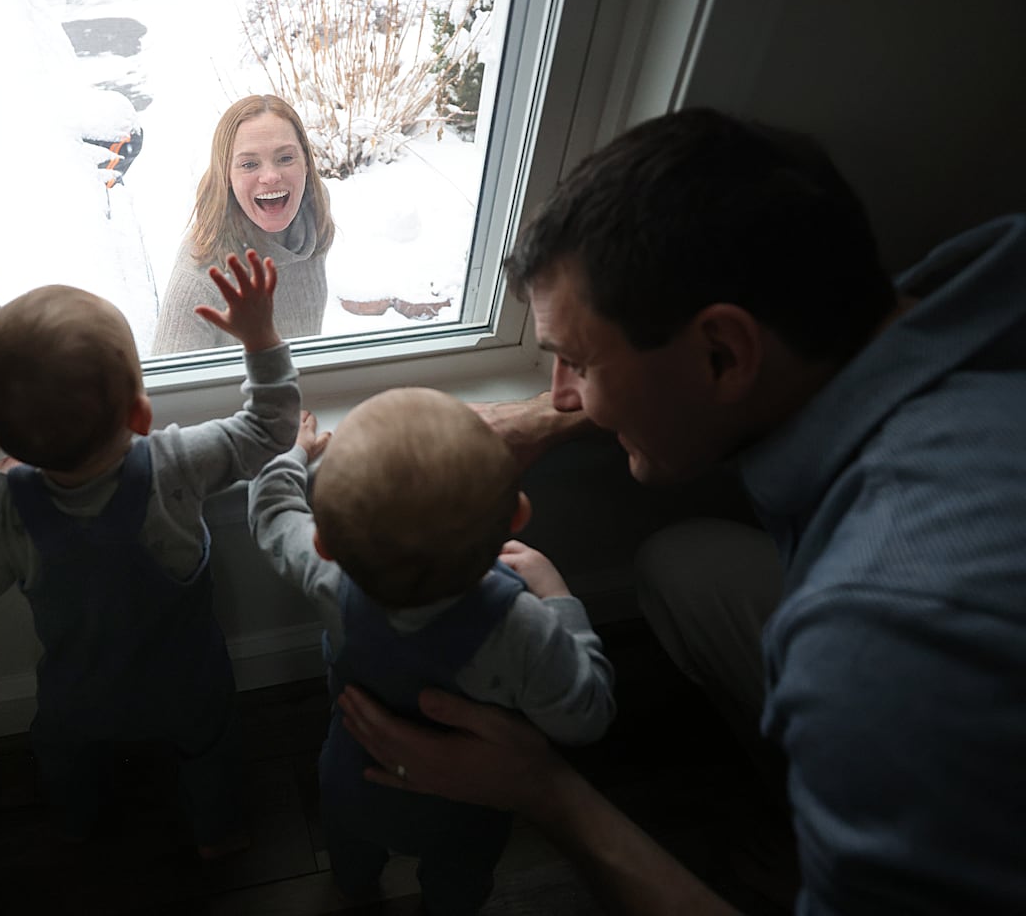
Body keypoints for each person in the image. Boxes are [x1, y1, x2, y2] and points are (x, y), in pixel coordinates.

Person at [338, 107, 1026, 914]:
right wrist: (541, 420)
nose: (564, 394)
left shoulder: (882, 648)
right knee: (682, 566)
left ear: (723, 354)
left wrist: (544, 790)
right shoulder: (967, 295)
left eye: (578, 363)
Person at [0, 251, 300, 858]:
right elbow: (268, 432)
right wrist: (260, 338)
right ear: (140, 411)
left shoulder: (4, 504)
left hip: (81, 695)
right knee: (210, 748)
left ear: (5, 441)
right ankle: (218, 834)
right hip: (188, 682)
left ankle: (76, 822)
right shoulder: (177, 463)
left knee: (63, 753)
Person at [248, 387, 615, 914]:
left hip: (354, 775)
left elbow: (272, 512)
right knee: (460, 877)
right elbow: (586, 715)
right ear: (516, 515)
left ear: (325, 544)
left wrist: (294, 455)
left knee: (351, 849)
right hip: (468, 804)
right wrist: (558, 597)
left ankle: (352, 886)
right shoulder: (522, 628)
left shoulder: (328, 576)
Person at [152, 94, 336, 354]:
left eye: (285, 158)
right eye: (249, 164)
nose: (271, 176)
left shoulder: (313, 212)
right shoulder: (200, 276)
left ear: (306, 161)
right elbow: (168, 388)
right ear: (226, 174)